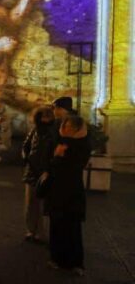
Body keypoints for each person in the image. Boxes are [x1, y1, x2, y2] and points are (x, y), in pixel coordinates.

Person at [43, 114, 90, 274]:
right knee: (57, 226)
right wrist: (57, 157)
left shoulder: (82, 144)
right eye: (66, 126)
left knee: (73, 227)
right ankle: (57, 258)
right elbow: (50, 163)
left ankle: (76, 262)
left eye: (71, 127)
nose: (67, 129)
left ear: (77, 128)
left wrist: (60, 157)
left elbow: (76, 166)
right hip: (57, 190)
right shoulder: (57, 140)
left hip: (72, 190)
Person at [21, 105, 55, 242]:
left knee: (42, 205)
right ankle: (30, 230)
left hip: (45, 172)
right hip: (31, 171)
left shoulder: (54, 132)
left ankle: (41, 232)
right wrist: (26, 158)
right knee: (30, 203)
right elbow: (26, 146)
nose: (45, 119)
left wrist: (49, 169)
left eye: (48, 116)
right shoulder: (35, 131)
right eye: (43, 116)